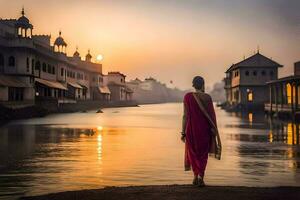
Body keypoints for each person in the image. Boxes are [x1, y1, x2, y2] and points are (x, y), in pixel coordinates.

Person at [181, 76, 221, 187]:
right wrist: (214, 129)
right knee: (203, 155)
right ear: (203, 85)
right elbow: (212, 116)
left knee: (193, 154)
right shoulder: (207, 98)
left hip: (191, 130)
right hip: (204, 131)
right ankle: (200, 177)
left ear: (193, 85)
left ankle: (195, 177)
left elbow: (185, 116)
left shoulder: (187, 97)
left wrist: (183, 132)